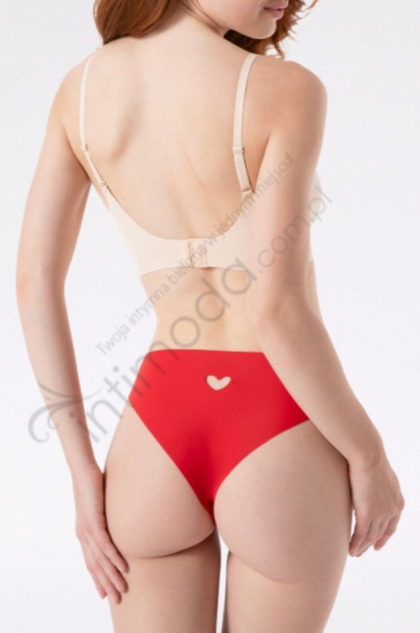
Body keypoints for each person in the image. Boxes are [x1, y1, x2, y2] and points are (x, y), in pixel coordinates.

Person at [16, 1, 405, 631]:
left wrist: (83, 475)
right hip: (277, 422)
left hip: (156, 430)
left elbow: (34, 283)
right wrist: (369, 455)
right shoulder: (286, 89)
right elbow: (274, 309)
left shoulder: (81, 91)